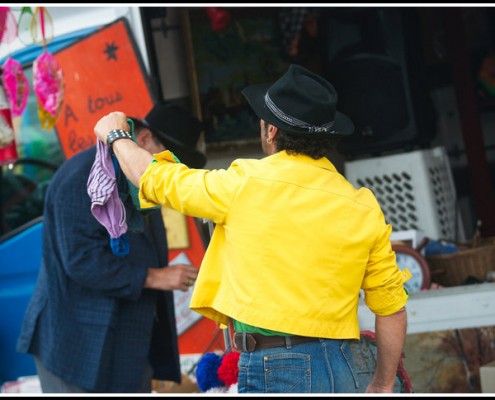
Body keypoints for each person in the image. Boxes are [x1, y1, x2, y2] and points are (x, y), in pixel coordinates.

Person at [93, 64, 412, 394]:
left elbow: (156, 179)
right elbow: (392, 309)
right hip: (347, 365)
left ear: (271, 131)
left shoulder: (244, 183)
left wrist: (117, 136)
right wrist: (383, 384)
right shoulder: (361, 204)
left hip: (278, 367)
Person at [16, 102, 206, 393]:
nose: (169, 172)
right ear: (143, 141)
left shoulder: (139, 180)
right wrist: (156, 276)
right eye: (168, 160)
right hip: (75, 342)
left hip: (129, 342)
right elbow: (81, 260)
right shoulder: (80, 176)